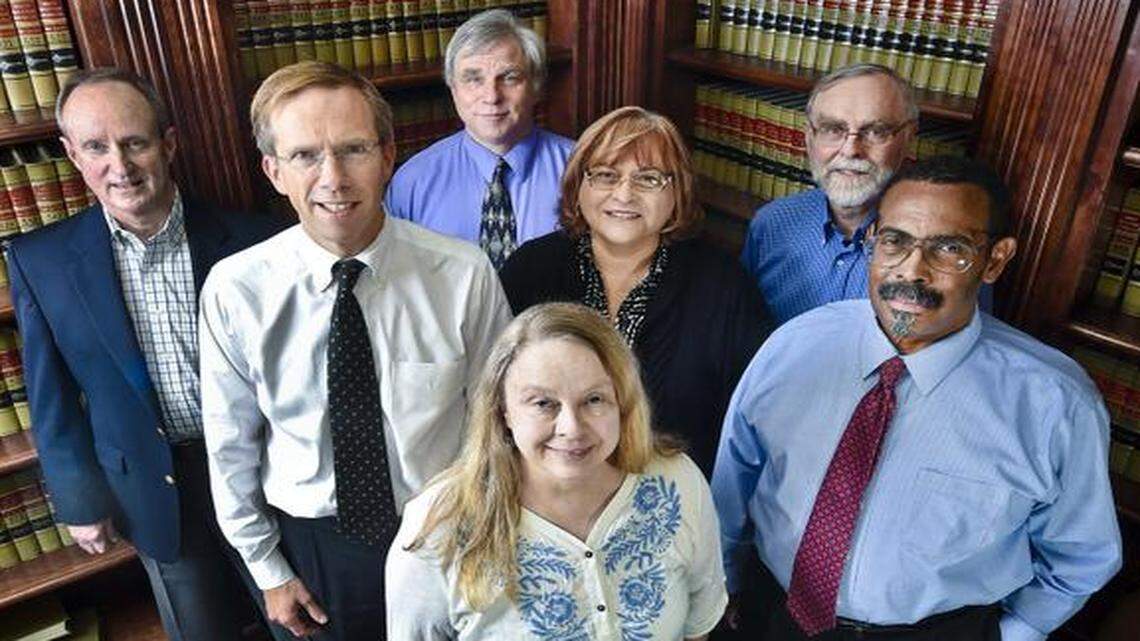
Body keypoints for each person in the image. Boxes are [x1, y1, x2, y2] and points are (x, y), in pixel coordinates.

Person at [712, 156, 1122, 640]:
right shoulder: (797, 344)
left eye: (949, 249)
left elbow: (1081, 554)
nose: (912, 270)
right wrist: (726, 587)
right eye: (894, 241)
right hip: (770, 614)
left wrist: (1015, 633)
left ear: (995, 259)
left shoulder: (1055, 403)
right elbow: (735, 480)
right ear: (872, 242)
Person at [199, 61, 512, 640]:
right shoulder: (236, 288)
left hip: (444, 531)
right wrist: (267, 569)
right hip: (311, 547)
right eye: (304, 156)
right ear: (273, 171)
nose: (333, 177)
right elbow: (230, 445)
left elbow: (497, 423)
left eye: (353, 149)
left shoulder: (463, 274)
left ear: (388, 155)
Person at [7, 68, 286, 641]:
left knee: (301, 625)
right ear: (72, 155)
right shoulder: (43, 262)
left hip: (265, 471)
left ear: (169, 143)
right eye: (96, 147)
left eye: (135, 142)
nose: (121, 165)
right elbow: (51, 396)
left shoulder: (259, 242)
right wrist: (81, 501)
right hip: (154, 492)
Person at [386, 302, 728, 640]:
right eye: (543, 403)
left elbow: (697, 627)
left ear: (622, 402)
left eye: (593, 400)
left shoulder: (677, 482)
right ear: (503, 411)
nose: (571, 428)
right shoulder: (437, 528)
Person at [500, 106, 769, 476]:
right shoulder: (529, 270)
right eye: (606, 175)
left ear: (678, 191)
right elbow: (495, 401)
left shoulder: (723, 285)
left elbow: (748, 422)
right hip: (545, 496)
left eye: (649, 179)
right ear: (579, 185)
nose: (624, 194)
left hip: (671, 500)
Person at [385, 9, 573, 268]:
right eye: (473, 79)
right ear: (453, 89)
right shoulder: (412, 183)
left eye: (509, 78)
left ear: (537, 85)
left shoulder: (579, 170)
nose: (491, 96)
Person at [741, 64, 917, 326]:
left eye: (875, 131)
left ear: (908, 138)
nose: (851, 150)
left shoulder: (937, 248)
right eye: (833, 129)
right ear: (808, 137)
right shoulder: (771, 224)